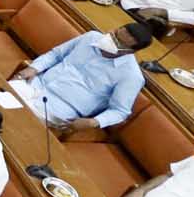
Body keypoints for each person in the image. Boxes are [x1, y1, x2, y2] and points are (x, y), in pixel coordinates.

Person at [16, 23, 150, 132]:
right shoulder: (91, 37)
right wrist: (34, 68)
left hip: (58, 106)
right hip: (37, 83)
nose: (112, 40)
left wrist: (93, 122)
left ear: (130, 51)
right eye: (114, 34)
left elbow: (120, 111)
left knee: (18, 119)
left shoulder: (131, 76)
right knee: (5, 94)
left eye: (118, 42)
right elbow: (56, 54)